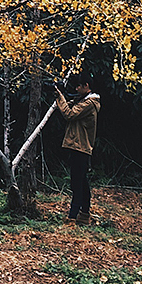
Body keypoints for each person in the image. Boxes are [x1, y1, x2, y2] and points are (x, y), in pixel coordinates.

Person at [55, 77, 100, 225]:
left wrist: (59, 96)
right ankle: (84, 214)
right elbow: (70, 107)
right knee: (82, 181)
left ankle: (72, 217)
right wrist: (63, 95)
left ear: (86, 85)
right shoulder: (84, 100)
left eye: (78, 86)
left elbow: (69, 114)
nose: (76, 89)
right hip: (79, 145)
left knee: (76, 182)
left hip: (81, 146)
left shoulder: (89, 103)